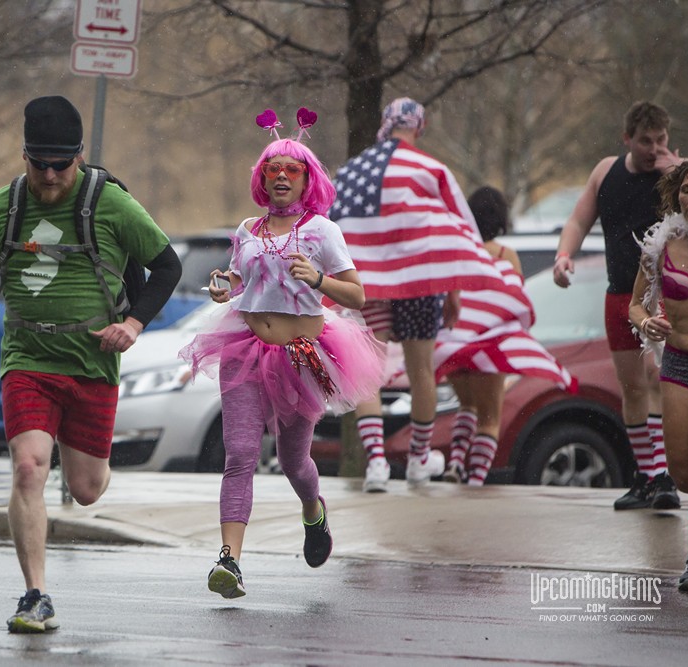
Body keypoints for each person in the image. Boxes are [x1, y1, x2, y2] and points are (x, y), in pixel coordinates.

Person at [0, 95, 181, 632]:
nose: (48, 175)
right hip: (27, 359)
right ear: (24, 155)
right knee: (28, 469)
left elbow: (166, 265)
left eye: (60, 164)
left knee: (87, 489)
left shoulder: (112, 206)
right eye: (38, 162)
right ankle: (35, 596)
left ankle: (85, 460)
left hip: (92, 364)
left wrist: (133, 324)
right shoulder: (1, 208)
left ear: (80, 156)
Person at [179, 108, 386, 599]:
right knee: (242, 454)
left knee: (295, 462)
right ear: (262, 179)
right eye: (272, 170)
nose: (280, 177)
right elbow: (240, 278)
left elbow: (357, 296)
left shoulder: (322, 231)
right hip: (245, 349)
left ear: (307, 180)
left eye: (291, 170)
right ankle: (230, 560)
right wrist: (223, 284)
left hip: (302, 355)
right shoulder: (249, 229)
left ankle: (314, 512)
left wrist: (319, 279)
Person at [329, 97, 509, 492]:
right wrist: (454, 289)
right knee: (421, 369)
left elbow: (334, 225)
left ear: (384, 123)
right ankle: (417, 459)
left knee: (368, 371)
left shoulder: (352, 171)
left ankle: (375, 462)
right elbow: (459, 230)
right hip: (419, 281)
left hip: (368, 282)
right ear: (419, 127)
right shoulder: (430, 170)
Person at [554, 101, 683, 511]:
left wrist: (674, 174)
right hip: (619, 293)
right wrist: (563, 255)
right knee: (630, 387)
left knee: (655, 375)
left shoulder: (682, 176)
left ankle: (665, 475)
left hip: (662, 293)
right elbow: (578, 221)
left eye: (660, 140)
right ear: (627, 139)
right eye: (645, 141)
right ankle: (644, 476)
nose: (653, 149)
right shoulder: (606, 171)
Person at [437, 187, 577, 485]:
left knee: (466, 406)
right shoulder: (505, 254)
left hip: (456, 342)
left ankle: (455, 463)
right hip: (490, 344)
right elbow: (514, 301)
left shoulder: (459, 250)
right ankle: (475, 477)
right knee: (490, 416)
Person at [629, 158, 688, 590]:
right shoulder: (660, 246)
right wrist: (646, 323)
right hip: (678, 360)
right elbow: (635, 305)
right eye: (686, 190)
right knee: (680, 472)